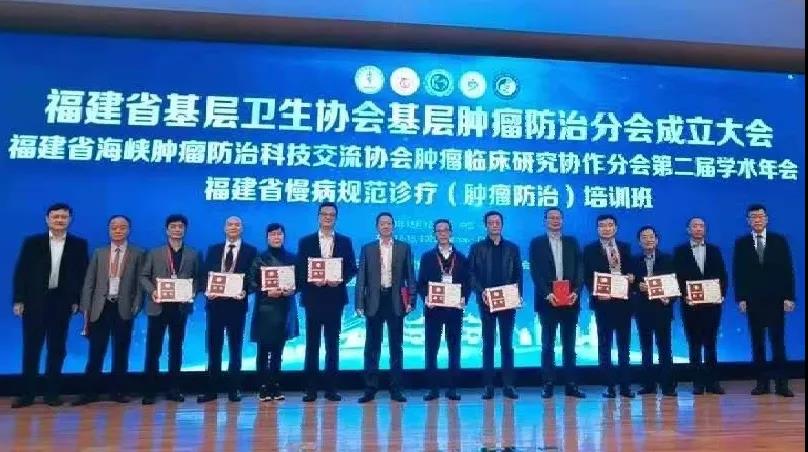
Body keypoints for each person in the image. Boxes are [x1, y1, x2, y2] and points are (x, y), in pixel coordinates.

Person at [12, 202, 89, 408]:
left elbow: (81, 275)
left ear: (70, 219)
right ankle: (27, 395)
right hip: (34, 303)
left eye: (64, 217)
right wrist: (18, 300)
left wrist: (77, 300)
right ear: (47, 219)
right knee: (31, 349)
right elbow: (21, 272)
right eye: (55, 217)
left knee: (57, 349)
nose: (59, 220)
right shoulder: (32, 243)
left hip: (61, 303)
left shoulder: (79, 245)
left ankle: (51, 394)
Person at [73, 215, 145, 406]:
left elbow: (140, 282)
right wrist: (85, 307)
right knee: (96, 351)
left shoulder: (138, 253)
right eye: (114, 227)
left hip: (123, 307)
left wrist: (137, 305)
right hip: (100, 308)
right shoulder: (99, 252)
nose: (118, 230)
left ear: (129, 230)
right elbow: (89, 282)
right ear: (109, 230)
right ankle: (89, 393)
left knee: (121, 351)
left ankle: (118, 391)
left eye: (122, 227)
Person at [296, 202, 357, 402]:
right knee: (312, 345)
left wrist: (339, 279)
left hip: (335, 298)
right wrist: (313, 279)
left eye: (332, 214)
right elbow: (300, 268)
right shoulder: (306, 241)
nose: (328, 217)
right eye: (324, 214)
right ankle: (310, 389)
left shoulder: (345, 241)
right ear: (318, 216)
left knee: (332, 344)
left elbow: (351, 268)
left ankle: (331, 388)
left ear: (336, 218)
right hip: (313, 298)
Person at [733, 204, 795, 397]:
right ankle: (762, 383)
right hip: (753, 300)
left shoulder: (779, 241)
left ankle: (782, 384)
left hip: (776, 299)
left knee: (778, 342)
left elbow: (788, 270)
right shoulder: (741, 244)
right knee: (757, 342)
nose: (757, 220)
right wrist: (741, 298)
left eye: (760, 216)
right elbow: (738, 273)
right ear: (748, 221)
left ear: (766, 219)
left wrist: (789, 297)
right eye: (754, 217)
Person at [140, 214, 203, 405]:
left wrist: (191, 292)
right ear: (167, 230)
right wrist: (153, 292)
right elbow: (143, 276)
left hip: (180, 308)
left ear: (185, 230)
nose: (177, 229)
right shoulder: (154, 252)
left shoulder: (193, 253)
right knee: (153, 350)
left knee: (176, 349)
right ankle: (149, 391)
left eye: (180, 226)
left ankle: (174, 389)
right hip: (158, 306)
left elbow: (198, 278)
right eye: (173, 226)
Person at [355, 212, 416, 403]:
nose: (386, 226)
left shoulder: (404, 247)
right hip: (374, 301)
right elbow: (361, 278)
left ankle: (396, 389)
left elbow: (410, 276)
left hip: (395, 300)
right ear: (377, 227)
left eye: (389, 223)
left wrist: (411, 300)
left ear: (393, 226)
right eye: (382, 223)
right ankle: (370, 388)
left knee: (396, 347)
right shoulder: (368, 248)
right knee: (372, 347)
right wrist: (359, 303)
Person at [198, 216, 257, 403]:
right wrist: (207, 290)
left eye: (237, 224)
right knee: (213, 348)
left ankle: (234, 389)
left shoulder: (250, 251)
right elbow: (204, 275)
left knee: (235, 348)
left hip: (237, 306)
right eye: (230, 224)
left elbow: (253, 278)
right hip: (215, 305)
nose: (233, 227)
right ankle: (211, 390)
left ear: (242, 228)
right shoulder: (214, 249)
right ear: (224, 228)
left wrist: (246, 291)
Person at [528, 208, 585, 399]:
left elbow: (580, 269)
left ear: (563, 220)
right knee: (547, 345)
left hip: (570, 300)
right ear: (545, 221)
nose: (555, 220)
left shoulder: (572, 242)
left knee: (570, 345)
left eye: (558, 217)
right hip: (548, 301)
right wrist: (547, 293)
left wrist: (576, 291)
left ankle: (571, 384)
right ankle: (548, 383)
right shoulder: (537, 243)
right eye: (551, 218)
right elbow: (535, 272)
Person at [468, 211, 523, 400]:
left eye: (497, 222)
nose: (494, 225)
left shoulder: (512, 248)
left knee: (507, 344)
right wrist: (480, 291)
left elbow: (518, 274)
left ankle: (509, 385)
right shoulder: (477, 248)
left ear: (502, 224)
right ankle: (488, 386)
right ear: (486, 225)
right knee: (488, 343)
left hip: (507, 301)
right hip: (486, 301)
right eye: (491, 222)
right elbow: (471, 274)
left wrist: (517, 296)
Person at [673, 216, 728, 395]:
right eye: (694, 226)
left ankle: (713, 382)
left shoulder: (714, 250)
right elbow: (676, 278)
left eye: (701, 226)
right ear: (688, 230)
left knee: (711, 343)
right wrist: (684, 296)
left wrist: (721, 295)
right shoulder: (680, 251)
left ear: (705, 230)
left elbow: (723, 276)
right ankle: (697, 382)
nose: (698, 229)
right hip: (690, 306)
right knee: (694, 344)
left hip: (712, 306)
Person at [583, 214, 635, 399]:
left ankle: (625, 385)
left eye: (610, 225)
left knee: (624, 345)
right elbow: (586, 276)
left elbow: (632, 271)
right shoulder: (589, 250)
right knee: (605, 345)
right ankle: (609, 385)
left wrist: (632, 277)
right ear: (597, 229)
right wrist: (596, 291)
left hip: (623, 303)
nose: (606, 228)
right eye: (602, 225)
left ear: (616, 228)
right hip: (603, 303)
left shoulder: (625, 247)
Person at [418, 219, 470, 402]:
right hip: (434, 310)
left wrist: (464, 298)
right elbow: (421, 283)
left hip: (454, 310)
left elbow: (467, 283)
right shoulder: (427, 257)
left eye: (445, 230)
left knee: (454, 349)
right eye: (439, 231)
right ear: (434, 234)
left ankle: (452, 388)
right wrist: (426, 298)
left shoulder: (461, 258)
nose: (442, 233)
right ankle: (432, 389)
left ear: (451, 232)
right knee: (431, 349)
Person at [249, 223, 299, 402]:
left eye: (279, 234)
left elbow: (300, 281)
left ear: (284, 236)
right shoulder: (259, 258)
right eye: (273, 235)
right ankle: (262, 387)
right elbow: (251, 282)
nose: (276, 237)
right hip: (265, 308)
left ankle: (275, 386)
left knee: (278, 350)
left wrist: (292, 289)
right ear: (267, 238)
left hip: (284, 308)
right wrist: (266, 290)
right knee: (263, 350)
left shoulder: (292, 258)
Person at [629, 225, 676, 397]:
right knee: (646, 348)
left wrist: (669, 299)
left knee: (665, 348)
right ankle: (648, 384)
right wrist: (637, 285)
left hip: (662, 309)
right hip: (642, 309)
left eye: (651, 237)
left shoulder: (668, 259)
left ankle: (668, 385)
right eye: (644, 237)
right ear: (639, 242)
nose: (648, 240)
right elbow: (629, 283)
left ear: (657, 240)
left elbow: (675, 283)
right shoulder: (634, 260)